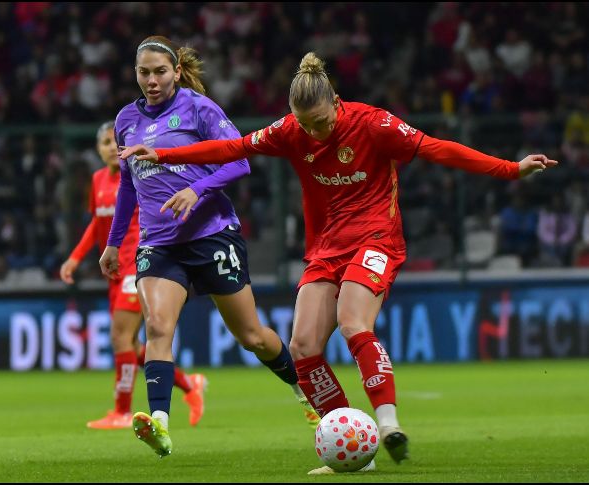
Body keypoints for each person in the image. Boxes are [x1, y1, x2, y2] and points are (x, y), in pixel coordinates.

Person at [120, 52, 559, 472]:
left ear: (336, 102)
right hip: (326, 247)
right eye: (306, 125)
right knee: (303, 347)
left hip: (376, 238)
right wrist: (164, 155)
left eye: (322, 122)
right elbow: (231, 148)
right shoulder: (291, 130)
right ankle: (354, 442)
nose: (314, 133)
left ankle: (388, 425)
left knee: (352, 323)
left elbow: (438, 148)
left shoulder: (374, 124)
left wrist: (508, 169)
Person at [100, 36, 318, 458]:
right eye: (143, 72)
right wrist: (113, 243)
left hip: (212, 236)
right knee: (159, 326)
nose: (151, 80)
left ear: (177, 72)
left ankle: (305, 392)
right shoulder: (126, 119)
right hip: (159, 243)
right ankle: (159, 423)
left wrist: (196, 191)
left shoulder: (200, 109)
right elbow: (128, 183)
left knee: (252, 336)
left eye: (160, 72)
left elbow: (239, 160)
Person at [60, 120, 206, 430]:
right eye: (104, 144)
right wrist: (75, 258)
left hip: (137, 266)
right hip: (113, 271)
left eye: (115, 142)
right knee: (133, 346)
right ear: (98, 151)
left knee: (120, 337)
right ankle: (190, 385)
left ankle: (122, 411)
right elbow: (96, 225)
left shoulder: (139, 176)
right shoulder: (98, 180)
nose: (111, 148)